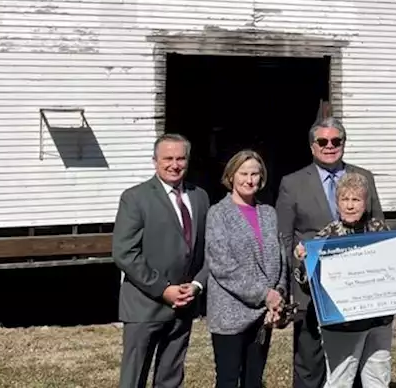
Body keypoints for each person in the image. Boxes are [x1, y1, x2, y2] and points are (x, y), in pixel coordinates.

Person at [276, 117, 384, 388]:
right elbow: (284, 238)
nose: (329, 146)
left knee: (355, 366)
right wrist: (293, 279)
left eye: (336, 141)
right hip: (312, 291)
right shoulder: (293, 182)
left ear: (344, 144)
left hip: (359, 291)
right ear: (312, 146)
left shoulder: (364, 177)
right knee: (309, 365)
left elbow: (380, 234)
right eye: (322, 141)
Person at [112, 134, 210, 388]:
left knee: (171, 377)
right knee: (134, 378)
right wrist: (163, 289)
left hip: (184, 305)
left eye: (180, 158)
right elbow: (125, 253)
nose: (174, 164)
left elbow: (208, 250)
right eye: (168, 158)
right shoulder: (135, 198)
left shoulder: (199, 197)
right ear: (155, 161)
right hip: (145, 306)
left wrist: (197, 285)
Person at [293, 172, 393, 388]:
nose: (350, 206)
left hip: (379, 320)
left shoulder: (379, 230)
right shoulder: (326, 236)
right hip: (343, 324)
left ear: (365, 204)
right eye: (344, 199)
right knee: (340, 381)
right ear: (337, 203)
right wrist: (304, 262)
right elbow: (307, 285)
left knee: (378, 380)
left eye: (356, 200)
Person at [206, 150, 289, 388]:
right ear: (231, 176)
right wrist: (265, 294)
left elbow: (281, 258)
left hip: (264, 313)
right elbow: (223, 266)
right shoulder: (218, 214)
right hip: (230, 313)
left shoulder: (269, 213)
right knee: (229, 379)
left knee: (254, 379)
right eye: (243, 173)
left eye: (255, 174)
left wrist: (278, 295)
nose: (249, 179)